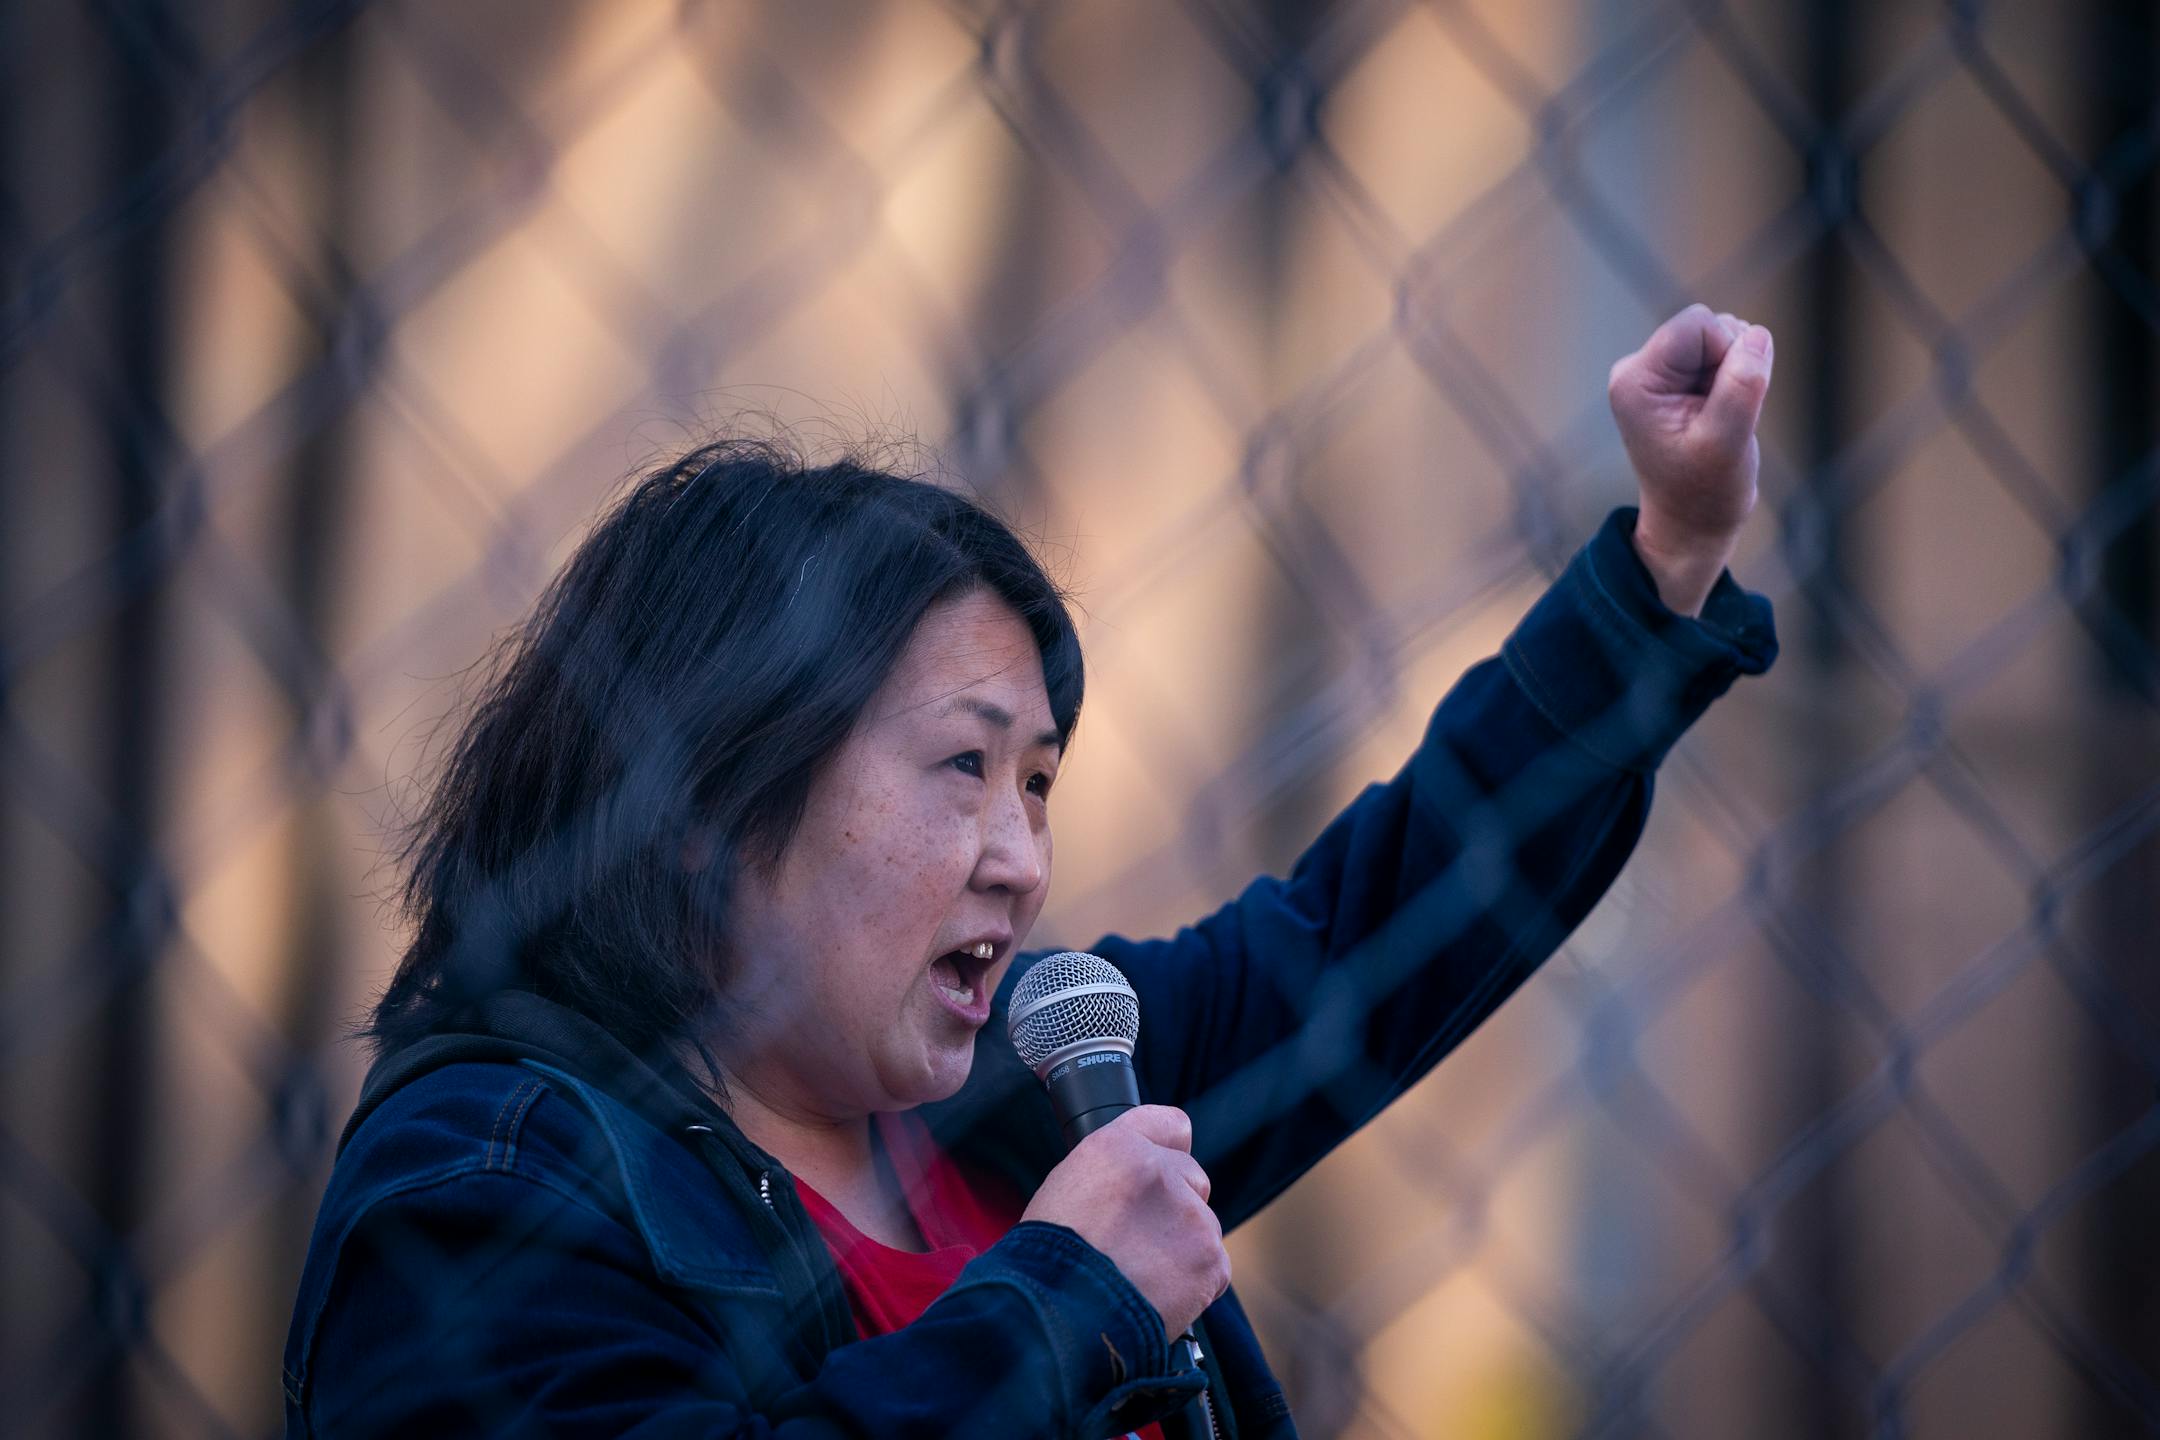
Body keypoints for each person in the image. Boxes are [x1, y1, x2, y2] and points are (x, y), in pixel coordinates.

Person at [282, 304, 1779, 1438]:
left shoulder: (1039, 1086)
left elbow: (1374, 924)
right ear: (708, 800)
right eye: (963, 768)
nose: (1022, 859)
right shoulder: (485, 1180)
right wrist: (1067, 1302)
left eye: (1042, 782)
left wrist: (1664, 565)